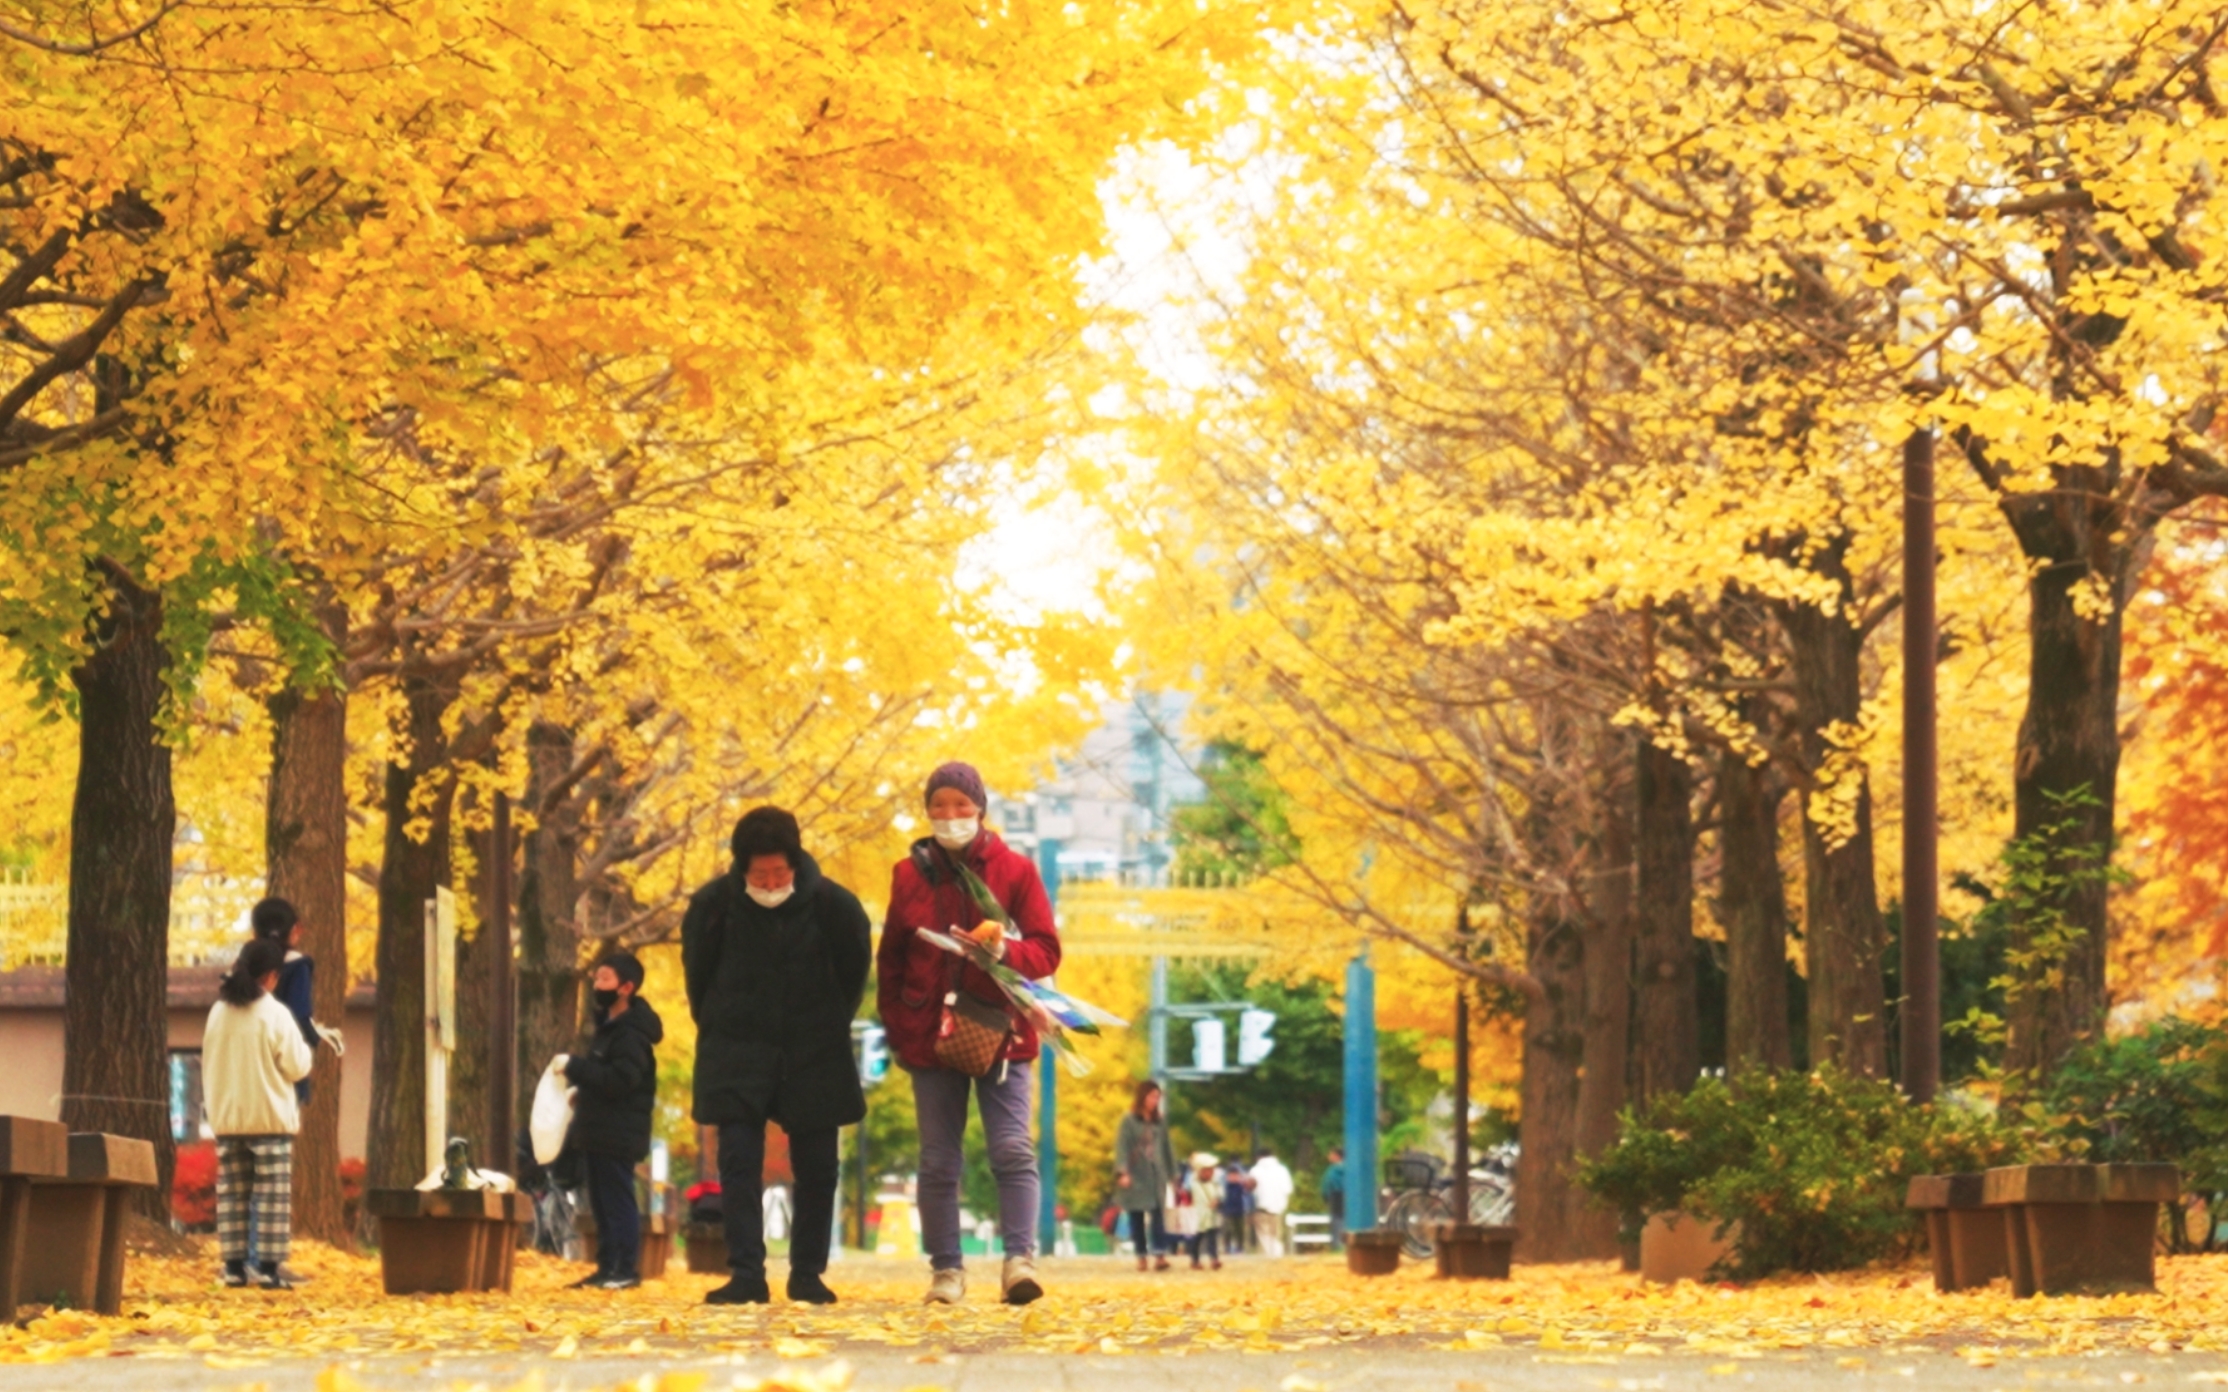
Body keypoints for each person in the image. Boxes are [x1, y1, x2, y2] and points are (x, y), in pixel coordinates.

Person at [878, 761, 1061, 1305]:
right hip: (930, 1033)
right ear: (927, 811)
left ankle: (1019, 1264)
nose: (950, 816)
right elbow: (890, 958)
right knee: (937, 1158)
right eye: (939, 806)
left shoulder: (1017, 871)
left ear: (980, 809)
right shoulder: (908, 874)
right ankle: (946, 1271)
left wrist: (1005, 949)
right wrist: (897, 1023)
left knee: (1011, 1149)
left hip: (1002, 1030)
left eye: (961, 806)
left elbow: (1048, 950)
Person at [682, 806, 870, 1306]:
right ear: (741, 868)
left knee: (818, 1167)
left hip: (813, 1048)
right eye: (759, 874)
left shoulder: (835, 907)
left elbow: (853, 976)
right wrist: (723, 1025)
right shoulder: (713, 907)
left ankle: (807, 1273)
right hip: (735, 1046)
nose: (769, 882)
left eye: (779, 872)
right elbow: (697, 978)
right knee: (738, 1162)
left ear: (796, 861)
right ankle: (746, 1273)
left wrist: (826, 1021)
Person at [202, 937, 314, 1289]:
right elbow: (298, 1066)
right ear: (270, 976)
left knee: (232, 1194)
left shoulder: (218, 1012)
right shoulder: (274, 1013)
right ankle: (267, 1269)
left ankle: (233, 1268)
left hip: (229, 1120)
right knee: (271, 1196)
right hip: (269, 1120)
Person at [562, 950, 663, 1291]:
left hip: (618, 1132)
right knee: (601, 1203)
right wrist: (580, 1091)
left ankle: (624, 1269)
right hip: (598, 1129)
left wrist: (576, 1068)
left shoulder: (631, 1033)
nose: (597, 985)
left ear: (626, 988)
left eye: (604, 979)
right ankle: (606, 1268)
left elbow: (621, 1080)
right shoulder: (608, 1029)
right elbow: (604, 1078)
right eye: (596, 979)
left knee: (618, 1200)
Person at [249, 897, 327, 1107]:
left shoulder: (243, 964)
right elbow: (299, 1014)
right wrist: (314, 1040)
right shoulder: (297, 967)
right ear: (296, 929)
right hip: (282, 1072)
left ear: (254, 932)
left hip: (246, 1070)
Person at [1113, 1079, 1177, 1272]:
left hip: (1157, 1174)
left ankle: (1159, 1255)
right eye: (1152, 1096)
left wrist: (1173, 1173)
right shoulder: (1129, 1120)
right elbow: (1122, 1146)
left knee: (1158, 1214)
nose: (1155, 1101)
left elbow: (1167, 1147)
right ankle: (1141, 1255)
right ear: (1143, 1097)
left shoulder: (1160, 1121)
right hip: (1136, 1174)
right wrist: (1122, 1171)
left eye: (1158, 1097)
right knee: (1137, 1216)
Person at [1182, 1153, 1223, 1270]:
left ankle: (1214, 1258)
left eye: (1211, 1170)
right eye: (1207, 1171)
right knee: (1196, 1239)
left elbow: (1220, 1194)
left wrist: (1217, 1200)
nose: (1210, 1173)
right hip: (1197, 1217)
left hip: (1211, 1216)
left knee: (1212, 1238)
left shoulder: (1215, 1183)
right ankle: (1195, 1260)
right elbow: (1186, 1197)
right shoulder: (1192, 1184)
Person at [1250, 1147, 1294, 1257]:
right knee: (1277, 1234)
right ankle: (1277, 1254)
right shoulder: (1282, 1170)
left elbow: (1251, 1190)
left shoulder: (1255, 1170)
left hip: (1260, 1207)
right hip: (1279, 1207)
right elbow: (1288, 1189)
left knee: (1263, 1234)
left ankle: (1268, 1256)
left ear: (1259, 1157)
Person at [1220, 1158, 1253, 1253]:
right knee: (1228, 1230)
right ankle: (1227, 1247)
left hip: (1240, 1210)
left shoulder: (1242, 1187)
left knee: (1240, 1230)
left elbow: (1248, 1197)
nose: (1233, 1177)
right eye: (1231, 1175)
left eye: (1236, 1175)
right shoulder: (1225, 1186)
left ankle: (1240, 1247)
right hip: (1228, 1211)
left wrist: (1249, 1210)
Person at [1321, 1145, 1347, 1247]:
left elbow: (1326, 1188)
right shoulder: (1353, 1170)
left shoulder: (1331, 1171)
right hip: (1351, 1200)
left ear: (1337, 1156)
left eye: (1331, 1154)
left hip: (1335, 1199)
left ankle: (1338, 1247)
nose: (1329, 1156)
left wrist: (1326, 1199)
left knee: (1337, 1225)